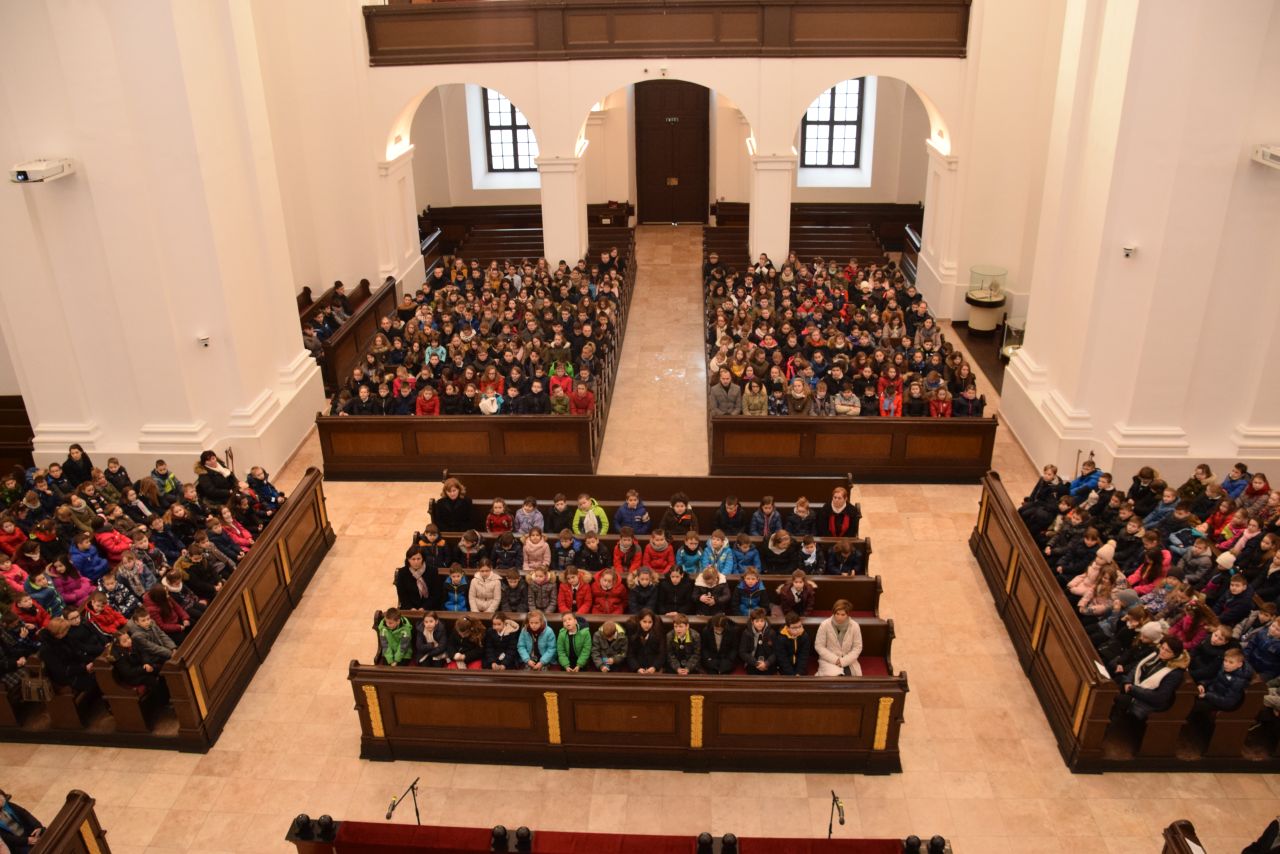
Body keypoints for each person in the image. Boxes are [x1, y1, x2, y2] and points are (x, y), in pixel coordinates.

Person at [1115, 637, 1189, 720]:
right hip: (1137, 689)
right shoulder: (1156, 655)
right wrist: (1127, 682)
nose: (1162, 652)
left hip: (1149, 702)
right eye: (1162, 647)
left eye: (1167, 651)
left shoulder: (1175, 672)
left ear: (1175, 655)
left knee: (1115, 698)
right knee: (1115, 684)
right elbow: (1137, 668)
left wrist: (1132, 689)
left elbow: (1159, 697)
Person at [815, 600, 863, 676]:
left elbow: (857, 647)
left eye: (843, 614)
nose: (839, 617)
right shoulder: (824, 625)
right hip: (829, 660)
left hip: (848, 660)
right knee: (834, 678)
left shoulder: (854, 626)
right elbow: (819, 646)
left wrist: (844, 661)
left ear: (848, 614)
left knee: (853, 679)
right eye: (837, 614)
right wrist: (836, 660)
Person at [0, 788, 44, 854]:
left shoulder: (8, 805)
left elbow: (26, 814)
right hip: (17, 843)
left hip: (29, 832)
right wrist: (26, 840)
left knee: (47, 834)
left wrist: (37, 826)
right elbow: (6, 837)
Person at [739, 607, 778, 674]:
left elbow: (776, 651)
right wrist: (756, 663)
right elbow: (742, 652)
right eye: (757, 621)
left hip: (768, 664)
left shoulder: (771, 633)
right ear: (752, 622)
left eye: (762, 621)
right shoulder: (746, 633)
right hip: (752, 663)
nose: (760, 623)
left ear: (765, 620)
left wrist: (767, 663)